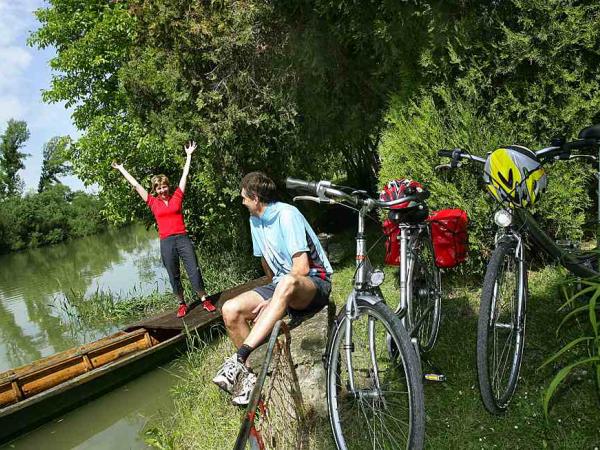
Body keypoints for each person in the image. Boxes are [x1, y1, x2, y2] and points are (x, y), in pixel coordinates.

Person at [212, 171, 333, 406]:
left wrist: (276, 299)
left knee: (286, 283)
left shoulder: (287, 215)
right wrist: (271, 295)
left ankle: (240, 356)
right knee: (230, 309)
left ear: (255, 198)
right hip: (282, 283)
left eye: (244, 197)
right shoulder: (254, 220)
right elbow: (266, 264)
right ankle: (251, 380)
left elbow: (302, 267)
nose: (242, 201)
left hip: (314, 283)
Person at [111, 141, 216, 318]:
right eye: (159, 188)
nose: (162, 190)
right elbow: (136, 185)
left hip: (182, 239)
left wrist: (188, 156)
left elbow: (184, 176)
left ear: (168, 186)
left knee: (193, 270)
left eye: (164, 186)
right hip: (166, 242)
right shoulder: (153, 202)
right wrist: (122, 169)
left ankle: (204, 299)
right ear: (155, 190)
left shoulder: (176, 197)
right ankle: (182, 304)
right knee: (173, 274)